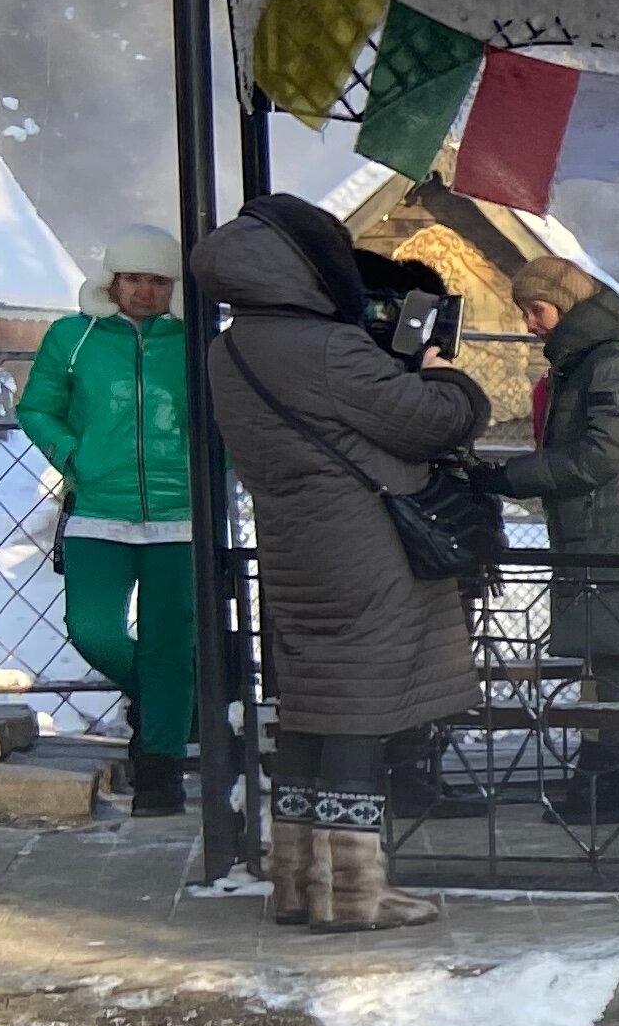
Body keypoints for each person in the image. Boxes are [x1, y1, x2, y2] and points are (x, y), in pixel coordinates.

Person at [193, 192, 489, 931]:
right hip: (366, 547)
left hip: (295, 546)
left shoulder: (229, 348)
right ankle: (355, 893)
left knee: (312, 709)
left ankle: (297, 882)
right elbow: (433, 422)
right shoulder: (329, 348)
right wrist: (439, 373)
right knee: (361, 708)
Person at [496, 255, 619, 823]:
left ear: (565, 305)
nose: (530, 325)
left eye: (536, 310)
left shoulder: (611, 363)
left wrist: (514, 477)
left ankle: (611, 784)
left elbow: (602, 454)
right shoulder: (594, 361)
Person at [14, 223, 198, 816]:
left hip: (181, 518)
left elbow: (233, 416)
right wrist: (74, 457)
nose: (145, 291)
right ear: (112, 280)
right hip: (97, 512)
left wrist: (208, 470)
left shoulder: (198, 341)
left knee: (169, 643)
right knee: (91, 629)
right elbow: (37, 407)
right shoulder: (72, 338)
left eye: (158, 280)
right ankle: (173, 703)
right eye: (134, 278)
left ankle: (161, 774)